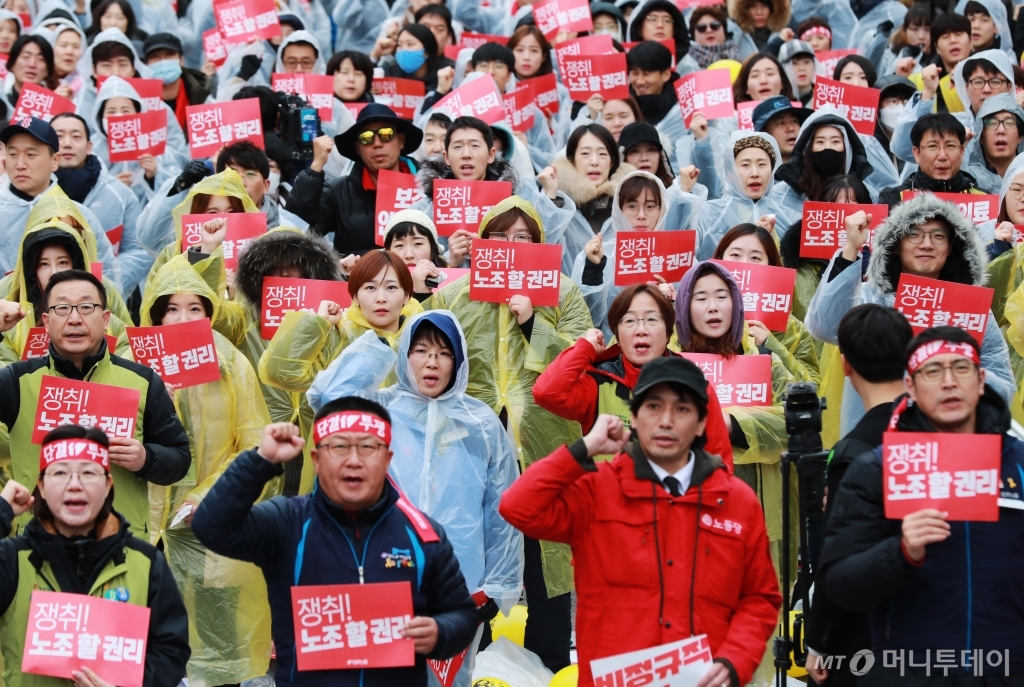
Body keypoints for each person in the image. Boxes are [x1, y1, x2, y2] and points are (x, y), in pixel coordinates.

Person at [500, 356, 781, 687]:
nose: (665, 420)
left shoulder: (736, 502)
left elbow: (760, 598)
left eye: (682, 409)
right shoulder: (597, 490)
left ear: (703, 423)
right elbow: (518, 507)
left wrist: (735, 659)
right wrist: (582, 449)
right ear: (634, 417)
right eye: (653, 406)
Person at [308, 311, 524, 687]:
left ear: (458, 362)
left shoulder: (481, 422)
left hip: (458, 582)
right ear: (405, 355)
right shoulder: (379, 410)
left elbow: (501, 506)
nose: (431, 362)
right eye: (420, 350)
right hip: (379, 575)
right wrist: (381, 346)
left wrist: (497, 584)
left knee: (450, 679)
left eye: (444, 353)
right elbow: (327, 398)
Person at [192, 408, 480, 687]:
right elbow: (212, 527)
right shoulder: (287, 523)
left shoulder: (420, 533)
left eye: (368, 448)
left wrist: (440, 633)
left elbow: (462, 614)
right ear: (316, 460)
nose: (353, 461)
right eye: (339, 448)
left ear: (387, 459)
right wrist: (260, 461)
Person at [429, 196, 592, 673]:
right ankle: (470, 666)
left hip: (543, 440)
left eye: (524, 238)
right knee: (473, 551)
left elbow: (580, 357)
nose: (512, 246)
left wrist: (534, 322)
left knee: (547, 557)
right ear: (484, 243)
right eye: (500, 237)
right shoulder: (456, 295)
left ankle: (552, 663)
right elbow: (434, 359)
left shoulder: (560, 292)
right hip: (471, 443)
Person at [816, 326, 1024, 685]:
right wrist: (901, 552)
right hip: (910, 670)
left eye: (961, 368)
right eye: (932, 370)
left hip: (1008, 667)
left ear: (981, 380)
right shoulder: (877, 470)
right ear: (910, 386)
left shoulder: (1019, 463)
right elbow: (840, 582)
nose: (948, 382)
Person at [142, 254, 276, 687]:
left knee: (218, 659)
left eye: (195, 308)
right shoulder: (130, 365)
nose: (183, 318)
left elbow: (254, 443)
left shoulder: (230, 362)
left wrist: (207, 499)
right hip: (143, 532)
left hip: (211, 532)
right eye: (172, 308)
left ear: (210, 312)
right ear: (155, 314)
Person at [805, 193, 1016, 435]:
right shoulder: (870, 297)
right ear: (895, 245)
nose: (926, 244)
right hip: (879, 441)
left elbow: (1003, 387)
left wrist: (957, 370)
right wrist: (851, 248)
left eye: (938, 236)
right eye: (914, 234)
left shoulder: (970, 307)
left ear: (951, 247)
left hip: (954, 443)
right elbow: (826, 327)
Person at [0, 269, 191, 536]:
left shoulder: (142, 381)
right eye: (62, 308)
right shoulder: (16, 381)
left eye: (86, 307)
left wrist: (146, 458)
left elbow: (180, 459)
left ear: (105, 319)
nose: (75, 319)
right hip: (39, 551)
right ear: (45, 320)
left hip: (122, 549)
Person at [0, 425, 191, 687]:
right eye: (60, 473)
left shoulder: (146, 563)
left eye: (89, 473)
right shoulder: (12, 559)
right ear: (41, 487)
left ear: (107, 486)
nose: (75, 485)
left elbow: (171, 653)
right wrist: (1, 513)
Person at [802, 304, 912, 687]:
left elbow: (841, 561)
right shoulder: (940, 431)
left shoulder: (854, 451)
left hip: (869, 639)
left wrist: (819, 641)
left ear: (846, 365)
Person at [673, 260, 798, 571]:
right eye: (700, 298)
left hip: (757, 509)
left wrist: (730, 423)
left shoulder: (764, 359)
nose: (713, 307)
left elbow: (796, 421)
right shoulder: (667, 361)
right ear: (685, 306)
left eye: (722, 296)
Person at [534, 282, 734, 464]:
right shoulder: (599, 385)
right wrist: (584, 347)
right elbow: (547, 393)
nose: (641, 330)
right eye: (629, 321)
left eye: (651, 319)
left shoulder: (697, 389)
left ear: (667, 333)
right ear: (618, 335)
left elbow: (718, 464)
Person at [412, 116, 574, 269]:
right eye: (458, 146)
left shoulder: (519, 194)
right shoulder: (426, 206)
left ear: (491, 155)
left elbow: (543, 245)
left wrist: (551, 196)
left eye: (475, 146)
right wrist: (449, 259)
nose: (466, 154)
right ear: (446, 157)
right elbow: (409, 266)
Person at [259, 249, 423, 397]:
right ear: (355, 296)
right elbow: (280, 373)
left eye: (392, 287)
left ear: (407, 295)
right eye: (370, 288)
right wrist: (318, 324)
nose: (381, 298)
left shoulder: (423, 335)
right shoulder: (339, 335)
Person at [566, 169, 703, 332]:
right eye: (632, 206)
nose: (641, 215)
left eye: (650, 206)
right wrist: (593, 269)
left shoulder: (678, 257)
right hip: (612, 352)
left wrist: (671, 301)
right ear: (619, 210)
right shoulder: (602, 255)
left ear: (662, 210)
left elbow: (696, 321)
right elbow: (585, 321)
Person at [0, 118, 120, 287]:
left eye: (31, 155)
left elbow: (102, 276)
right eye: (12, 154)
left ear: (55, 160)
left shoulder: (78, 216)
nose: (20, 164)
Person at [291, 103, 423, 256]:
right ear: (357, 148)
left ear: (401, 140)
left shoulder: (428, 189)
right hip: (357, 279)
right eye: (366, 138)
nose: (377, 143)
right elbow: (297, 230)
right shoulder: (338, 191)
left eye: (386, 134)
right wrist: (316, 166)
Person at [0, 217, 133, 365]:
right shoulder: (13, 325)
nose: (54, 272)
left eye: (62, 262)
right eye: (44, 264)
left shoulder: (109, 322)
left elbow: (131, 355)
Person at [50, 112, 153, 295]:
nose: (67, 143)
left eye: (76, 136)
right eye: (58, 136)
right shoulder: (32, 193)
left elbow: (139, 250)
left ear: (89, 146)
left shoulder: (119, 193)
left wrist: (107, 286)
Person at [713, 223, 820, 384]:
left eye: (755, 257)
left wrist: (770, 346)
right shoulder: (698, 315)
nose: (745, 264)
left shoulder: (794, 330)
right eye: (735, 255)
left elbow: (811, 386)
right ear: (719, 260)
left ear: (771, 265)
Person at [769, 106, 881, 228]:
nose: (828, 148)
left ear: (847, 148)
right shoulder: (780, 196)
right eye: (820, 142)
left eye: (835, 142)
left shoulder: (869, 195)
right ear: (807, 148)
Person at [553, 125, 637, 274]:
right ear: (572, 160)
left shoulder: (631, 202)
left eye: (602, 154)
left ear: (612, 162)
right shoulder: (558, 205)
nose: (594, 162)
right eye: (585, 153)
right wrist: (550, 196)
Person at [694, 132, 787, 260]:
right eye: (745, 165)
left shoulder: (785, 216)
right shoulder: (710, 214)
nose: (755, 173)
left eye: (762, 164)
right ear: (730, 172)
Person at [877, 113, 984, 207]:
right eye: (933, 146)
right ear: (917, 153)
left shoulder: (983, 199)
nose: (942, 156)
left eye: (950, 146)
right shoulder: (895, 199)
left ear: (961, 152)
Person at [216, 140, 307, 229]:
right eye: (232, 174)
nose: (241, 182)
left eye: (250, 174)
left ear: (266, 186)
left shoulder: (291, 231)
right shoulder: (205, 230)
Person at [141, 32, 212, 130]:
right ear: (146, 64)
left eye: (169, 55)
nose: (163, 61)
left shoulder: (201, 94)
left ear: (181, 60)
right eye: (155, 56)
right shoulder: (138, 100)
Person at [963, 93, 1024, 193]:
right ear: (980, 137)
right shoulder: (965, 178)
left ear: (1020, 136)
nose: (1001, 130)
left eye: (1009, 123)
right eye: (991, 123)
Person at [381, 209, 449, 300]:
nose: (409, 254)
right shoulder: (376, 284)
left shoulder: (450, 284)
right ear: (388, 252)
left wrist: (423, 293)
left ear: (432, 250)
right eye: (399, 245)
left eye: (418, 244)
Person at [753, 95, 811, 165]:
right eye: (781, 123)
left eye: (794, 121)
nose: (791, 128)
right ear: (764, 133)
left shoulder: (816, 170)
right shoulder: (756, 174)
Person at [5, 34, 59, 103]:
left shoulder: (55, 106)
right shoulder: (3, 101)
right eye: (26, 57)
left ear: (48, 70)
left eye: (40, 59)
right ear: (12, 64)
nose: (32, 64)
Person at [778, 39, 817, 105]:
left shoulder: (824, 97)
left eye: (806, 62)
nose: (802, 68)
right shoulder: (778, 101)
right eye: (794, 63)